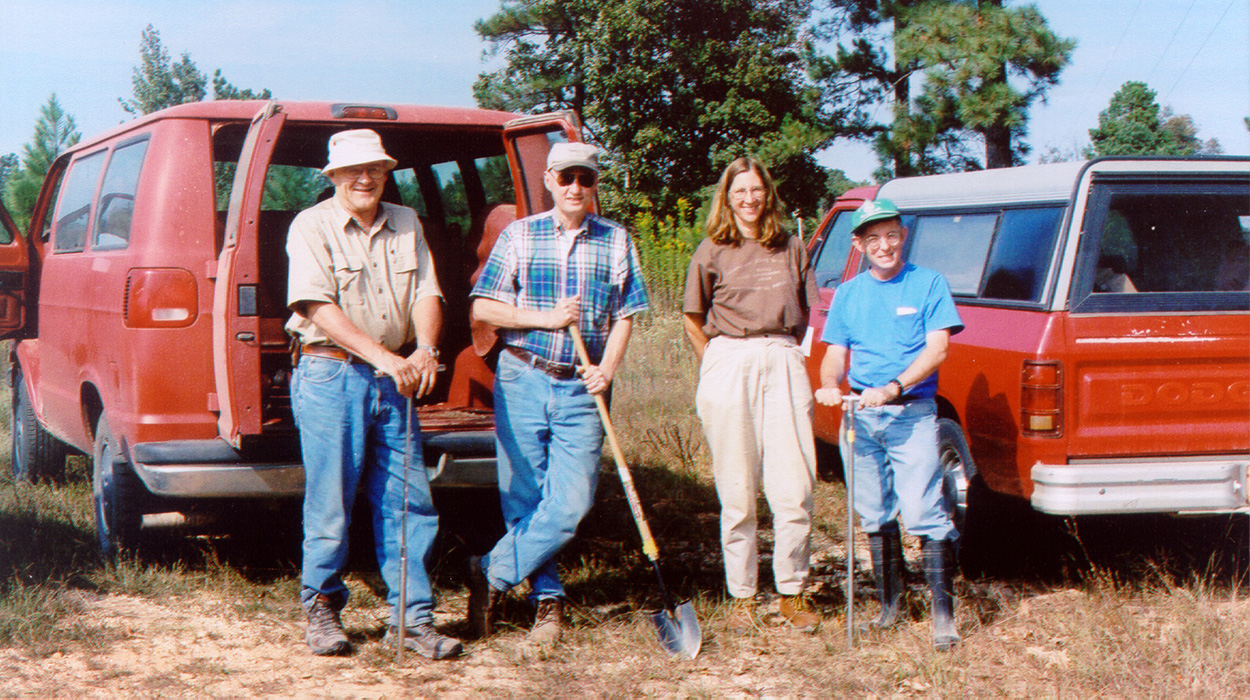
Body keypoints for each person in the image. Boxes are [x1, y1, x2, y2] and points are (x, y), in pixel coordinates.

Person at [286, 129, 462, 660]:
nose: (366, 179)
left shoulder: (406, 221)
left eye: (377, 170)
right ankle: (321, 607)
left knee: (408, 499)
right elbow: (317, 307)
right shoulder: (310, 225)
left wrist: (426, 348)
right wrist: (386, 358)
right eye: (354, 171)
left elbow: (429, 290)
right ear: (334, 176)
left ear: (387, 174)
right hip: (330, 373)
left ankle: (413, 620)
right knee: (331, 498)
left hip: (396, 378)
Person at [467, 142, 650, 644]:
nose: (575, 188)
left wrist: (607, 369)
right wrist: (544, 318)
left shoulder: (616, 240)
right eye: (566, 177)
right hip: (523, 374)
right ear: (548, 179)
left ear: (594, 185)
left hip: (581, 384)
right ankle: (547, 601)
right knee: (524, 496)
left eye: (585, 179)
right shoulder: (519, 236)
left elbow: (627, 314)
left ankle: (490, 571)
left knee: (570, 503)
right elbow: (485, 309)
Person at [814, 198, 965, 650]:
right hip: (860, 418)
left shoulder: (928, 284)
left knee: (924, 513)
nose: (885, 245)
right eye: (874, 238)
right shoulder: (849, 294)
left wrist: (894, 388)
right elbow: (835, 356)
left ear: (903, 236)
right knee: (874, 512)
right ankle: (890, 607)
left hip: (911, 414)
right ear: (858, 244)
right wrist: (827, 384)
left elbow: (937, 349)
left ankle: (944, 619)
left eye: (892, 235)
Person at [682, 156, 821, 633]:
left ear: (768, 195)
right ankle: (742, 595)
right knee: (737, 488)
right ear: (727, 196)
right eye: (740, 191)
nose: (749, 199)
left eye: (757, 190)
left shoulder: (791, 246)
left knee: (794, 483)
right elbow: (692, 317)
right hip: (728, 360)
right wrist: (716, 363)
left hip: (782, 356)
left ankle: (792, 591)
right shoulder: (711, 249)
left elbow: (809, 314)